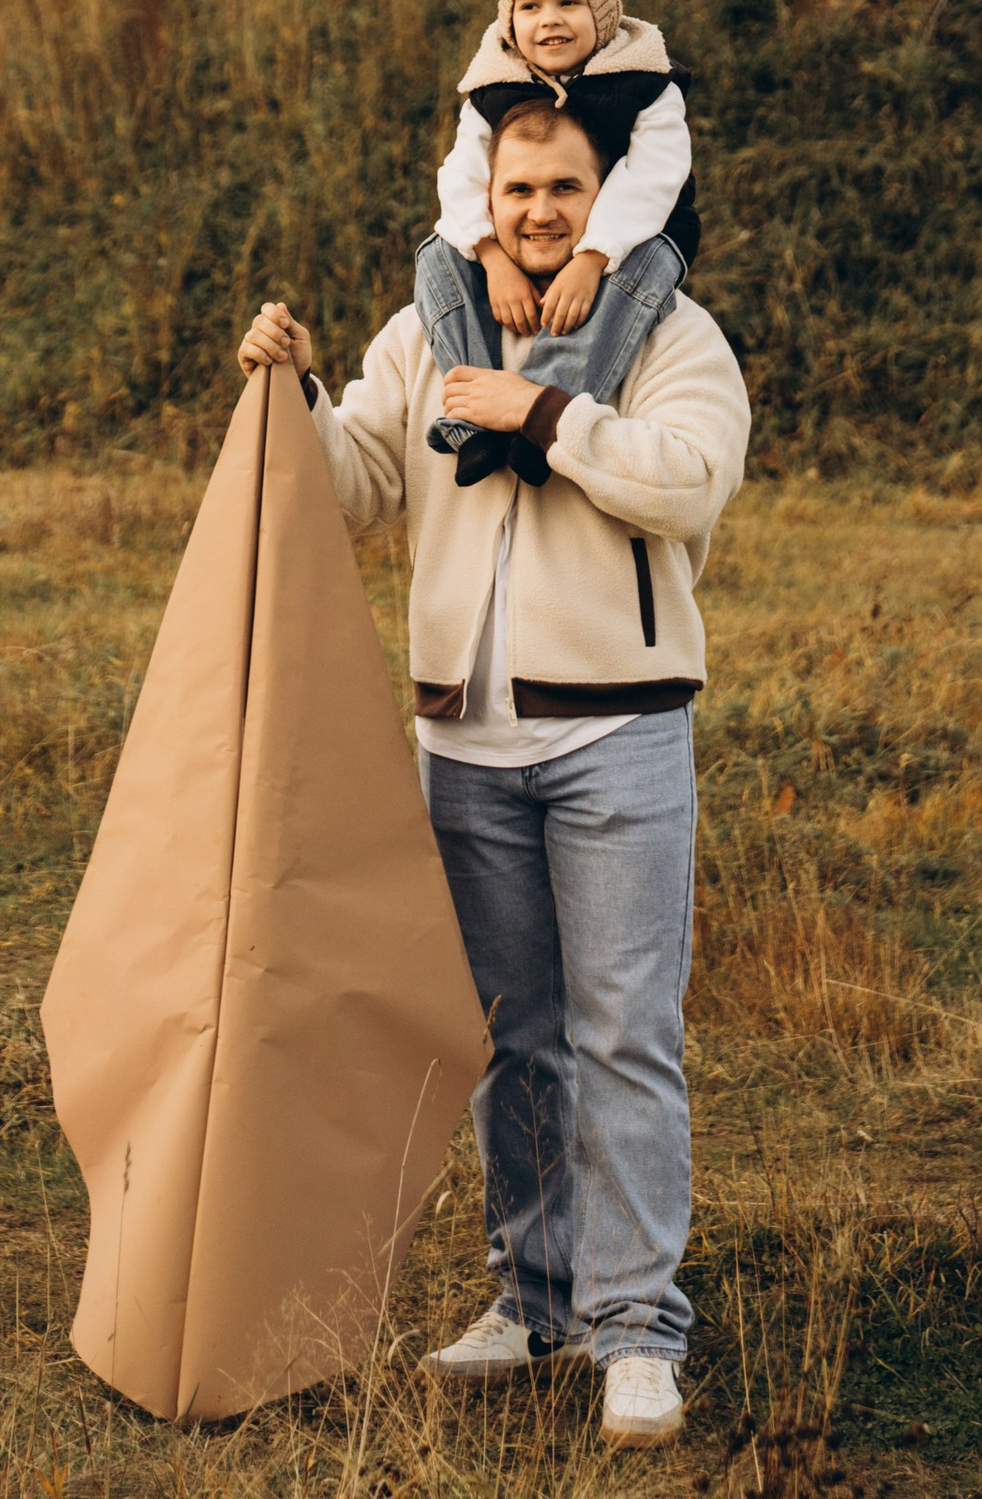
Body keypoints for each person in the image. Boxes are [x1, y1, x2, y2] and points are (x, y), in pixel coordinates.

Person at [237, 92, 749, 1451]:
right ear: (485, 198)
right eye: (518, 189)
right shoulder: (421, 335)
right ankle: (535, 1301)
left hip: (619, 737)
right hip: (464, 744)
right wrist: (287, 385)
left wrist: (543, 416)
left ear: (605, 200)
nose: (538, 212)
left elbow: (693, 483)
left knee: (623, 1037)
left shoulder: (668, 335)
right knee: (506, 1042)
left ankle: (639, 1329)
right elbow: (351, 489)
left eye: (565, 190)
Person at [420, 0, 696, 485]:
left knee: (648, 262)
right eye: (530, 8)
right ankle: (474, 418)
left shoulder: (645, 81)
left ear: (601, 13)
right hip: (513, 250)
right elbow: (462, 179)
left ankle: (543, 408)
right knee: (436, 252)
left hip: (632, 243)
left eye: (569, 3)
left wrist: (593, 260)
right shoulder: (492, 92)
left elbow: (653, 177)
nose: (549, 20)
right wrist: (492, 258)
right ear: (509, 21)